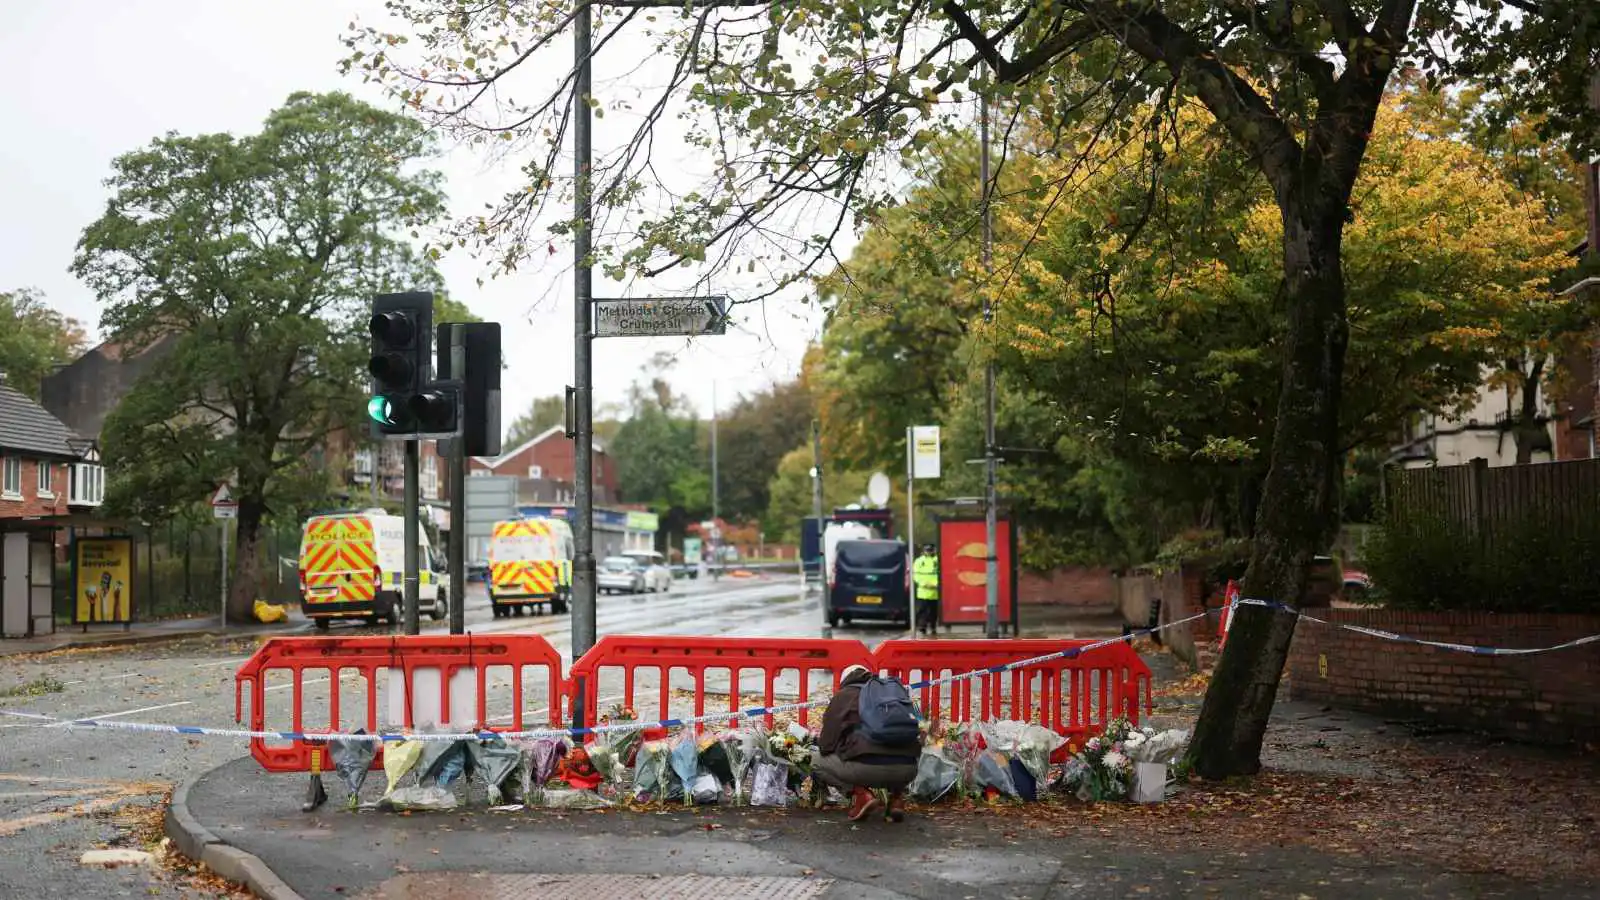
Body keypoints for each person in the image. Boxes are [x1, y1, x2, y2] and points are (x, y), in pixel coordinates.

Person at [813, 664, 921, 822]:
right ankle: (897, 799)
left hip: (866, 770)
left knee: (815, 760)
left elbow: (826, 745)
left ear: (844, 680)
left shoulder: (844, 696)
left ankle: (861, 794)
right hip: (908, 770)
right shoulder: (891, 693)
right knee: (895, 744)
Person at [912, 543, 940, 636]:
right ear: (924, 551)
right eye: (927, 550)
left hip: (935, 591)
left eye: (930, 550)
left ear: (934, 550)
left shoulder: (938, 560)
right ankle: (922, 627)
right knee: (922, 610)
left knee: (933, 611)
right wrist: (924, 584)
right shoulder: (919, 561)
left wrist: (936, 584)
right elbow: (915, 574)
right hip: (923, 591)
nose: (928, 552)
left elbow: (942, 573)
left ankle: (933, 627)